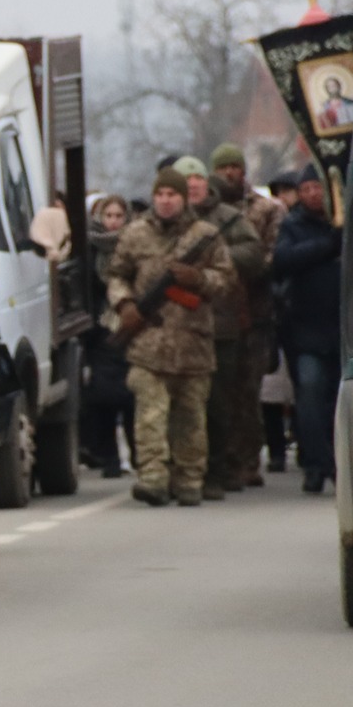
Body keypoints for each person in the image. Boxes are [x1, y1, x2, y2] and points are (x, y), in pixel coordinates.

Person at [105, 167, 235, 507]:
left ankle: (189, 479)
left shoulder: (204, 235)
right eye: (160, 194)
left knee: (191, 417)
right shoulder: (134, 234)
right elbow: (116, 275)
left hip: (192, 342)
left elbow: (226, 281)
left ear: (183, 198)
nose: (165, 201)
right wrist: (125, 304)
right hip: (148, 341)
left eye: (172, 195)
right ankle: (153, 479)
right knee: (150, 415)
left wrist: (198, 279)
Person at [177, 156, 264, 500]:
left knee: (222, 400)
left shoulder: (229, 218)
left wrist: (217, 254)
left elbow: (254, 254)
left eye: (198, 177)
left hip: (222, 321)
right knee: (183, 401)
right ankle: (181, 469)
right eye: (187, 180)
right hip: (176, 325)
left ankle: (223, 467)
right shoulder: (165, 222)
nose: (194, 184)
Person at [210, 143, 284, 490]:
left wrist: (233, 268)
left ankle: (248, 460)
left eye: (234, 167)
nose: (229, 173)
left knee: (247, 390)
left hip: (254, 314)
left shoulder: (265, 209)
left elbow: (272, 255)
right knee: (220, 391)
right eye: (222, 168)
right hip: (217, 313)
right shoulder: (208, 213)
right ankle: (222, 459)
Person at [273, 167, 342, 493]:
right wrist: (326, 247)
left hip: (342, 328)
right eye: (307, 189)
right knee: (310, 395)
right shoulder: (293, 225)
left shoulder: (344, 220)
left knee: (338, 401)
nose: (313, 194)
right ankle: (315, 465)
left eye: (318, 188)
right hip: (306, 329)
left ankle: (341, 463)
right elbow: (283, 260)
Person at [80, 195, 135, 477]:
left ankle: (139, 457)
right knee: (103, 398)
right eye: (108, 215)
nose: (113, 221)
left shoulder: (135, 245)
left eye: (118, 216)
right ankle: (110, 459)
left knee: (132, 397)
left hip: (130, 326)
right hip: (100, 329)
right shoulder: (89, 249)